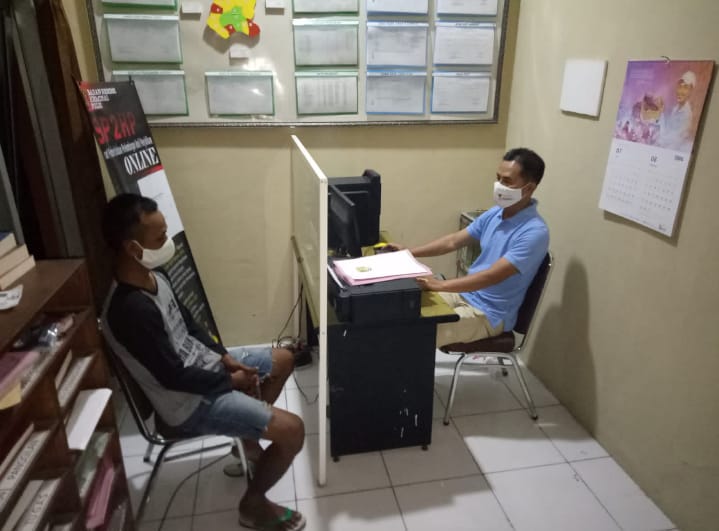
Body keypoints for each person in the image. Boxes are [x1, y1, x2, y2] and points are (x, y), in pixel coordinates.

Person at [100, 193, 305, 531]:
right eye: (159, 238)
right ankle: (253, 505)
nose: (168, 243)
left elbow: (190, 324)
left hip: (205, 371)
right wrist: (231, 381)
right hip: (186, 404)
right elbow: (173, 376)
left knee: (282, 359)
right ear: (133, 248)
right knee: (293, 431)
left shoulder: (154, 275)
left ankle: (248, 442)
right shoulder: (130, 311)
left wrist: (226, 358)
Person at [389, 148, 549, 347]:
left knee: (410, 334)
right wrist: (408, 252)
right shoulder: (495, 213)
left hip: (488, 313)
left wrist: (436, 285)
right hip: (465, 294)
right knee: (397, 309)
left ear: (529, 188)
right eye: (498, 178)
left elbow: (489, 277)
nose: (499, 186)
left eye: (507, 181)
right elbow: (452, 242)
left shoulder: (534, 233)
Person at [659, 70, 696, 152]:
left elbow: (674, 140)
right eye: (680, 86)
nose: (680, 91)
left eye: (685, 87)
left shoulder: (687, 114)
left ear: (690, 91)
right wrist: (661, 113)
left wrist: (660, 141)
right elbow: (667, 130)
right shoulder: (675, 109)